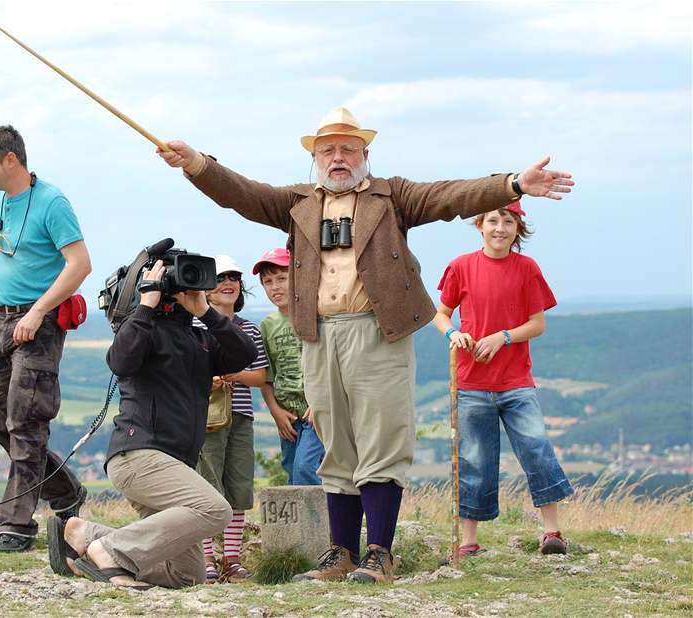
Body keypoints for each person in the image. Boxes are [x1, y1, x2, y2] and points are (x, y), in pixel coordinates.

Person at [158, 107, 574, 583]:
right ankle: (340, 554)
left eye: (348, 149)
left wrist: (514, 183)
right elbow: (242, 194)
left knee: (381, 439)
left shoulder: (392, 196)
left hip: (378, 332)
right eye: (328, 150)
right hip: (317, 334)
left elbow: (451, 196)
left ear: (365, 154)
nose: (338, 158)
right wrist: (196, 164)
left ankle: (379, 553)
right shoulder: (297, 202)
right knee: (336, 444)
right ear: (315, 157)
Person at [47, 259, 258, 589]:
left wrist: (205, 312)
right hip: (140, 457)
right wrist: (146, 304)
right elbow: (120, 360)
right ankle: (112, 550)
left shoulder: (198, 338)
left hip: (174, 466)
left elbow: (244, 353)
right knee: (217, 509)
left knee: (187, 575)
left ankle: (85, 535)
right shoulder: (143, 329)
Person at [433, 202, 574, 561]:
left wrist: (503, 337)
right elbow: (441, 315)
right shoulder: (461, 266)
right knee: (475, 460)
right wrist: (453, 334)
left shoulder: (527, 268)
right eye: (493, 221)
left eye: (507, 221)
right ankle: (469, 542)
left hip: (516, 381)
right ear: (479, 224)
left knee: (537, 449)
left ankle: (552, 533)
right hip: (471, 382)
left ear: (517, 227)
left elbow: (537, 324)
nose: (500, 228)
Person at [0, 125, 92, 552]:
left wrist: (39, 312)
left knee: (25, 420)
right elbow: (1, 255)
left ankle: (17, 525)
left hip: (37, 324)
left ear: (10, 160)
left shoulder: (52, 202)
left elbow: (79, 264)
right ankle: (65, 493)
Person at [194, 255, 269, 583]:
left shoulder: (249, 328)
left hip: (240, 415)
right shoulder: (193, 326)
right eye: (221, 278)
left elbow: (261, 376)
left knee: (238, 488)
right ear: (206, 291)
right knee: (208, 488)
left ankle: (232, 559)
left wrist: (232, 373)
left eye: (234, 277)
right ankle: (207, 558)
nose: (228, 283)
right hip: (207, 417)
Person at [254, 247, 324, 485]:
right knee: (293, 472)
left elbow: (329, 364)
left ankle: (325, 522)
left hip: (317, 411)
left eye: (282, 279)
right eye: (268, 282)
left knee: (307, 469)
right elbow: (266, 375)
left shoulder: (315, 315)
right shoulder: (268, 325)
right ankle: (306, 523)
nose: (275, 287)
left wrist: (321, 403)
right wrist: (275, 412)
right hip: (288, 416)